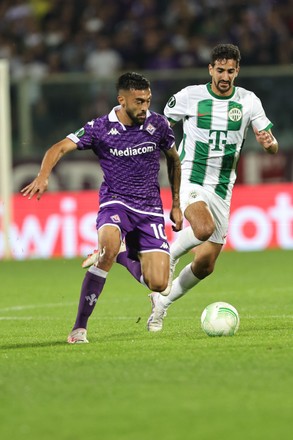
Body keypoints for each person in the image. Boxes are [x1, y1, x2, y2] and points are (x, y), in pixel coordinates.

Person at [21, 72, 183, 343]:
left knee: (160, 283)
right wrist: (43, 175)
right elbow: (59, 148)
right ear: (122, 100)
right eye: (138, 101)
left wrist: (176, 203)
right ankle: (79, 328)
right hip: (115, 202)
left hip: (150, 208)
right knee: (106, 248)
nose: (144, 107)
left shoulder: (159, 124)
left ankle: (121, 254)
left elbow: (173, 160)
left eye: (148, 100)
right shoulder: (100, 128)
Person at [147, 43, 279, 332]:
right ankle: (167, 258)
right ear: (210, 69)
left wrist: (270, 144)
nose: (225, 76)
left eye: (230, 71)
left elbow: (270, 141)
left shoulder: (248, 101)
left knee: (206, 264)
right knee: (203, 228)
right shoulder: (189, 96)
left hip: (222, 188)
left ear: (237, 71)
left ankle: (160, 305)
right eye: (220, 70)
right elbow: (160, 127)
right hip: (190, 177)